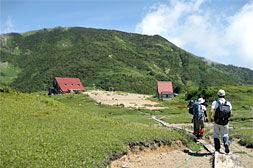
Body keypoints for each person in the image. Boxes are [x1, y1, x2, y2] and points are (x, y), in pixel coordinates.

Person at [209, 89, 232, 153]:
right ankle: (226, 143)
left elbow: (211, 111)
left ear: (218, 95)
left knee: (216, 135)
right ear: (224, 95)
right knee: (225, 134)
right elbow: (230, 113)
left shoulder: (215, 102)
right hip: (225, 122)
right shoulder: (228, 103)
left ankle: (217, 149)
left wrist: (210, 118)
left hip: (217, 121)